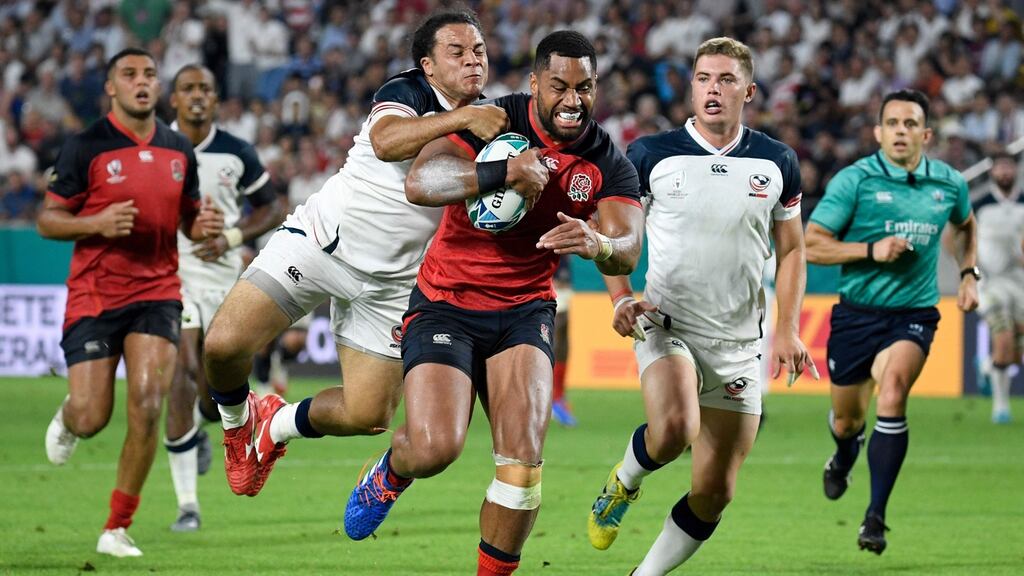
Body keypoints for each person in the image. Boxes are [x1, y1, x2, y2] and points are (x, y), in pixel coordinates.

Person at [343, 30, 645, 576]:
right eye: (559, 86)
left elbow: (627, 248)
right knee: (434, 448)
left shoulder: (607, 162)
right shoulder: (492, 120)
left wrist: (599, 244)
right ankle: (390, 472)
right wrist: (506, 171)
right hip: (446, 303)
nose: (572, 101)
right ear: (534, 84)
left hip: (525, 311)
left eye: (584, 87)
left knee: (523, 471)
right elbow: (422, 180)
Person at [201, 8, 509, 498]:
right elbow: (387, 143)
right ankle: (238, 424)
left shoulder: (493, 124)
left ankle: (274, 424)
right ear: (428, 65)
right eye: (457, 51)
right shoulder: (405, 91)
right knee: (221, 345)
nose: (473, 60)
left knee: (368, 416)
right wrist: (462, 116)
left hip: (392, 285)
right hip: (323, 243)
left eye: (479, 51)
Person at [585, 37, 815, 575]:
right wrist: (620, 298)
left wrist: (788, 330)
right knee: (672, 429)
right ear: (692, 87)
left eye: (727, 80)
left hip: (740, 342)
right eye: (704, 79)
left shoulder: (777, 161)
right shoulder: (649, 154)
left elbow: (793, 249)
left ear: (749, 91)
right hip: (667, 324)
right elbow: (606, 234)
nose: (714, 89)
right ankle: (625, 480)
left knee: (714, 493)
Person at [39, 47, 223, 557]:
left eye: (149, 75)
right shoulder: (85, 147)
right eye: (129, 75)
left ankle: (117, 527)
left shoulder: (177, 149)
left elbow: (188, 217)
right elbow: (48, 219)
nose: (142, 82)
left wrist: (200, 227)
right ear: (111, 88)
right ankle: (70, 416)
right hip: (96, 294)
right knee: (93, 414)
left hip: (158, 292)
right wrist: (94, 224)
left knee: (147, 401)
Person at [805, 88, 979, 554]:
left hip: (914, 314)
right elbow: (813, 242)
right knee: (847, 421)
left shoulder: (948, 183)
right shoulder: (854, 181)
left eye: (910, 124)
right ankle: (843, 455)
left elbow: (964, 224)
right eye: (892, 123)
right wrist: (870, 250)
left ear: (925, 133)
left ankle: (875, 517)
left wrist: (967, 273)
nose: (901, 132)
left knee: (895, 392)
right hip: (857, 315)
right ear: (879, 132)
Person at [164, 63, 283, 532]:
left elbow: (271, 206)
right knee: (181, 372)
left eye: (205, 89)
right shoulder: (156, 148)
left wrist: (231, 238)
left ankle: (200, 419)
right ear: (173, 99)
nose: (196, 96)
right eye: (187, 88)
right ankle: (187, 506)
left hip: (225, 279)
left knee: (217, 393)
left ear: (217, 100)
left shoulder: (237, 152)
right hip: (169, 275)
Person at [968, 151, 1023, 423]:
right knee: (1002, 339)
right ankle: (1001, 408)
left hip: (1020, 283)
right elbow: (955, 237)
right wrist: (967, 271)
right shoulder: (979, 204)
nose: (1004, 172)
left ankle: (988, 367)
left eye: (1008, 167)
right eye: (999, 167)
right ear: (991, 172)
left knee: (1015, 352)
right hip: (989, 283)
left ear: (1015, 171)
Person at [551, 254, 577, 426]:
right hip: (545, 269)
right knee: (556, 328)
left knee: (563, 331)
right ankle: (551, 398)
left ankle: (558, 396)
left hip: (561, 261)